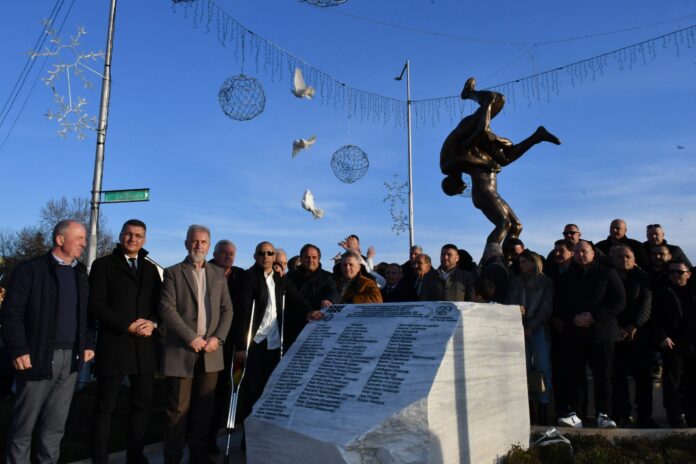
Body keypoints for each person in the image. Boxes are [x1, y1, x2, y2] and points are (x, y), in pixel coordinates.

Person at [1, 220, 96, 463]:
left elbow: (85, 313)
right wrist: (18, 349)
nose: (84, 244)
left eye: (84, 238)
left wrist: (88, 343)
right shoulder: (30, 270)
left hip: (71, 360)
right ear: (60, 239)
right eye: (79, 238)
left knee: (55, 427)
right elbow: (12, 314)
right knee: (24, 427)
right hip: (37, 357)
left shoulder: (80, 273)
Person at [440, 76, 561, 245]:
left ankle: (469, 93)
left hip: (470, 133)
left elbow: (480, 132)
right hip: (484, 177)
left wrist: (487, 106)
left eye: (458, 190)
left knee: (497, 99)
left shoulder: (452, 161)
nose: (463, 188)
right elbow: (475, 149)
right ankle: (537, 136)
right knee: (504, 160)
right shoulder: (465, 163)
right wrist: (493, 147)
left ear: (453, 184)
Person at [89, 219, 162, 463]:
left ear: (144, 239)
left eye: (138, 235)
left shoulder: (150, 270)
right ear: (121, 235)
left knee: (142, 405)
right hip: (115, 343)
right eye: (129, 234)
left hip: (144, 348)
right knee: (105, 406)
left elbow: (159, 306)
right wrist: (126, 325)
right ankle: (99, 457)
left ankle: (135, 455)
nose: (133, 239)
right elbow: (96, 304)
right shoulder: (103, 265)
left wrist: (153, 323)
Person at [159, 225, 233, 464]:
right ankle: (172, 457)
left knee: (204, 410)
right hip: (182, 350)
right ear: (186, 243)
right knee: (177, 411)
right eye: (194, 241)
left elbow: (227, 311)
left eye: (203, 242)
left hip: (211, 352)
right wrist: (191, 337)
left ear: (209, 246)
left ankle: (198, 457)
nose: (198, 245)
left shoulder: (218, 274)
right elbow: (167, 309)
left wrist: (217, 339)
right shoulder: (173, 273)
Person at [233, 242, 322, 427]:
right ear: (255, 256)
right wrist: (241, 346)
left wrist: (309, 312)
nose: (265, 256)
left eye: (269, 253)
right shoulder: (248, 277)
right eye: (261, 253)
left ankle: (265, 427)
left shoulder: (280, 278)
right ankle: (248, 433)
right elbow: (242, 314)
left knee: (269, 387)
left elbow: (296, 297)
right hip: (254, 342)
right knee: (252, 389)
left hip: (274, 342)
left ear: (274, 257)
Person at [554, 240, 625, 429]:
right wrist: (573, 318)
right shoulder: (565, 277)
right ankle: (576, 414)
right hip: (575, 334)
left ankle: (604, 414)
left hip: (602, 334)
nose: (580, 255)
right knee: (575, 376)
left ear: (593, 253)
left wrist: (594, 317)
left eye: (584, 251)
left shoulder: (608, 273)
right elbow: (559, 304)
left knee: (604, 376)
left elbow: (619, 301)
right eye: (576, 252)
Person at [607, 245, 655, 428]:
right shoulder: (607, 276)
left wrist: (634, 325)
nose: (624, 259)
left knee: (644, 378)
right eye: (620, 256)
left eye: (627, 256)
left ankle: (645, 417)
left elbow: (646, 304)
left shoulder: (643, 278)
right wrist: (617, 327)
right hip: (615, 333)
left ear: (634, 260)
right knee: (617, 378)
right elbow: (604, 303)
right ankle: (621, 415)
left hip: (640, 335)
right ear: (613, 260)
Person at [505, 250, 554, 425]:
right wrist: (515, 310)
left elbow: (547, 308)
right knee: (523, 370)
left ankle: (543, 409)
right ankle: (529, 410)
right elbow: (509, 303)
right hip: (519, 329)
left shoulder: (545, 282)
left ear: (533, 262)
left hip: (539, 330)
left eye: (524, 262)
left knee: (542, 369)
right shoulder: (516, 282)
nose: (521, 265)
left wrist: (533, 326)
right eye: (520, 262)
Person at [207, 239, 245, 452]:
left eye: (231, 254)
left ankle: (212, 438)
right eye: (223, 253)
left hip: (232, 342)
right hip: (210, 340)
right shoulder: (205, 270)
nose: (228, 257)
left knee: (222, 392)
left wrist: (277, 266)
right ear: (214, 254)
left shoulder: (240, 275)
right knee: (207, 392)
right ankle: (201, 438)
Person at [652, 260, 696, 427]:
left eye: (680, 272)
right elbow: (654, 317)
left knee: (692, 382)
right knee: (672, 383)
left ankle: (692, 416)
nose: (675, 275)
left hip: (693, 342)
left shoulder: (693, 291)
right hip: (672, 344)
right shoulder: (662, 291)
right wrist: (662, 336)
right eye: (671, 272)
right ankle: (675, 417)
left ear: (689, 274)